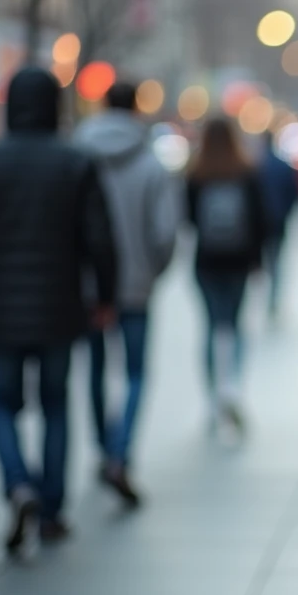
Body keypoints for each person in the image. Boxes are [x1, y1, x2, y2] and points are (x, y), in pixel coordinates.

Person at [0, 67, 117, 554]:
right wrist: (105, 297)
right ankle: (51, 508)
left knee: (2, 403)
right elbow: (99, 240)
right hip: (61, 306)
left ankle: (18, 483)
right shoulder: (76, 162)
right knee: (56, 404)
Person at [74, 82, 180, 506]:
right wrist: (150, 272)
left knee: (96, 370)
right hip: (135, 286)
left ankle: (104, 449)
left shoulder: (77, 156)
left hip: (87, 287)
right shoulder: (152, 163)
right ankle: (120, 452)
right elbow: (166, 232)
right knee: (135, 373)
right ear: (136, 107)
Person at [186, 118, 266, 435]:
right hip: (238, 261)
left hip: (207, 261)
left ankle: (212, 395)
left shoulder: (196, 174)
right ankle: (232, 385)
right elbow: (261, 220)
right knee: (234, 324)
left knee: (210, 325)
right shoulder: (246, 172)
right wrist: (258, 260)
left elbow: (190, 220)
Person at [256, 129, 298, 320]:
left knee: (264, 260)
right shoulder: (282, 166)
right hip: (277, 220)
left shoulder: (256, 165)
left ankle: (265, 296)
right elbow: (293, 192)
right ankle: (272, 298)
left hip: (260, 223)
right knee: (275, 262)